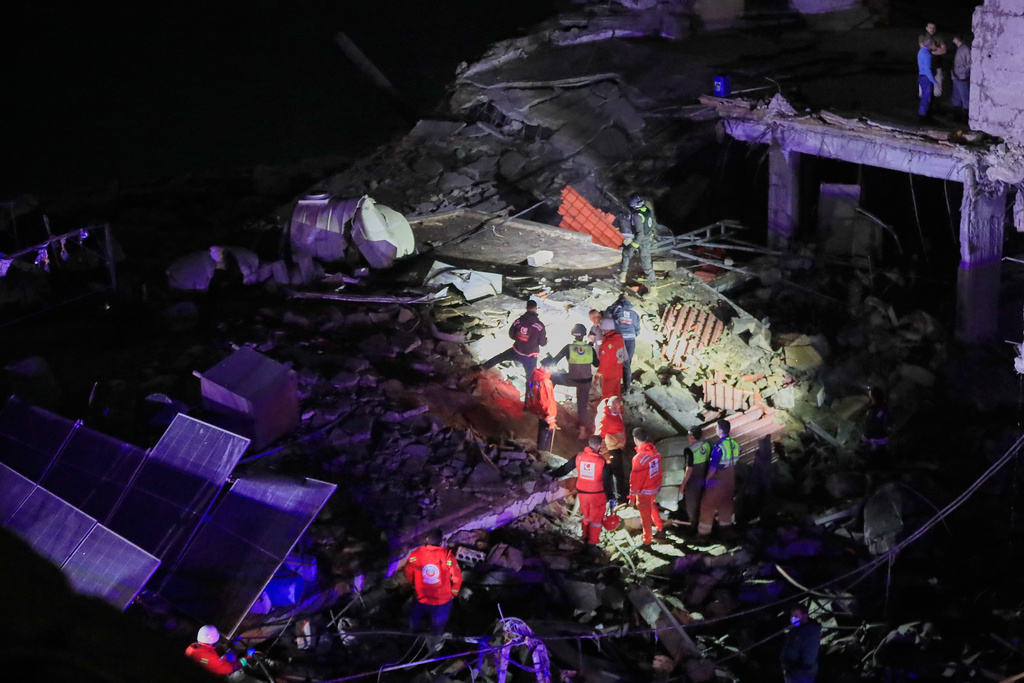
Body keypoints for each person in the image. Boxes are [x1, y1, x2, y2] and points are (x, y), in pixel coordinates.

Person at [549, 436, 616, 548]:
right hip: (597, 497)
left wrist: (551, 474)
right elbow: (606, 482)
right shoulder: (601, 462)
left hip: (583, 495)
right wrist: (611, 497)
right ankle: (592, 544)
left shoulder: (579, 457)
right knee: (596, 520)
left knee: (586, 517)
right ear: (599, 446)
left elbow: (564, 469)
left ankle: (585, 538)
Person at [404, 529, 463, 635]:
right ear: (441, 542)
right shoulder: (448, 556)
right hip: (442, 601)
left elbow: (408, 573)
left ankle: (410, 637)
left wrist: (413, 584)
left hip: (422, 598)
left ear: (427, 539)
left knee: (414, 621)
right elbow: (457, 578)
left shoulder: (415, 555)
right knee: (438, 628)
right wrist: (454, 593)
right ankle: (434, 645)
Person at [552, 324, 599, 439]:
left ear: (573, 334)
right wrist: (590, 347)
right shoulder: (590, 349)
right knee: (582, 406)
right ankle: (582, 432)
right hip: (586, 381)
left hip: (572, 379)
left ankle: (547, 400)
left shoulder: (569, 347)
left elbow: (555, 360)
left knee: (552, 377)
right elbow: (597, 364)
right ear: (584, 335)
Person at [483, 300, 547, 381]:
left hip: (516, 351)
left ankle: (482, 368)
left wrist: (520, 339)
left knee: (499, 357)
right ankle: (530, 391)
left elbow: (511, 334)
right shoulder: (539, 326)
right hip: (530, 356)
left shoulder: (518, 321)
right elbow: (543, 343)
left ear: (526, 308)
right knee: (530, 378)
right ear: (535, 309)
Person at [696, 419, 740, 538]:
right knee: (726, 504)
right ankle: (726, 531)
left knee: (707, 504)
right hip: (730, 477)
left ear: (720, 430)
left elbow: (713, 467)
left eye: (716, 427)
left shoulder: (719, 447)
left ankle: (703, 535)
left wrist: (707, 480)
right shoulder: (735, 444)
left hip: (718, 478)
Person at [628, 427, 664, 546]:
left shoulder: (638, 459)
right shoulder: (654, 451)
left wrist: (632, 498)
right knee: (652, 506)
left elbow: (635, 481)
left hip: (644, 492)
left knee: (645, 517)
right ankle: (660, 527)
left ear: (635, 439)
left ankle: (647, 540)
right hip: (654, 488)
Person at [619, 194, 658, 286]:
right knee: (646, 262)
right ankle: (653, 287)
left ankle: (623, 275)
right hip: (647, 238)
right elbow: (651, 224)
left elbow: (640, 233)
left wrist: (633, 245)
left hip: (641, 239)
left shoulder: (637, 216)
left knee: (626, 252)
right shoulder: (646, 210)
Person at [595, 395, 628, 503]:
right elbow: (599, 437)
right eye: (614, 408)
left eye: (618, 407)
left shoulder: (615, 412)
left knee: (612, 473)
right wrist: (605, 453)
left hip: (616, 447)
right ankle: (619, 499)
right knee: (617, 474)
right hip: (611, 449)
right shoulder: (604, 417)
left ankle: (610, 496)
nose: (617, 409)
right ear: (609, 406)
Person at [607, 294, 641, 392]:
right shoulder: (634, 314)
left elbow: (607, 322)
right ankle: (627, 388)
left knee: (615, 362)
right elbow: (637, 330)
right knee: (626, 364)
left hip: (619, 338)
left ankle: (614, 387)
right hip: (630, 340)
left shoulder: (613, 309)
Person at [780, 604, 822, 683]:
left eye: (796, 615)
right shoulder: (796, 629)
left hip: (801, 676)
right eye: (792, 616)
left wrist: (795, 672)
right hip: (792, 674)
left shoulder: (811, 632)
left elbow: (809, 659)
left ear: (805, 616)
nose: (793, 618)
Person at [679, 426, 710, 527]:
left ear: (692, 436)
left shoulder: (689, 450)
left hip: (693, 481)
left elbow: (689, 470)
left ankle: (694, 525)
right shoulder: (707, 445)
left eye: (688, 434)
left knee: (692, 504)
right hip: (704, 478)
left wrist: (683, 485)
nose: (687, 436)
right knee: (702, 501)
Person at [525, 358, 558, 451]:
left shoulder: (534, 375)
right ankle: (542, 456)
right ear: (545, 367)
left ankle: (539, 452)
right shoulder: (545, 382)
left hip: (537, 409)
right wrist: (551, 420)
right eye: (550, 368)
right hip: (545, 414)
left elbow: (530, 387)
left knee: (541, 435)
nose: (551, 371)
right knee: (545, 441)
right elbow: (546, 401)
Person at [596, 317, 625, 400]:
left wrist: (598, 375)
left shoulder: (607, 343)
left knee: (607, 398)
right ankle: (619, 411)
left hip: (609, 375)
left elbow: (604, 362)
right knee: (617, 396)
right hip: (618, 373)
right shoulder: (619, 339)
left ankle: (607, 412)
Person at [917, 34, 938, 123]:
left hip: (921, 76)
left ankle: (923, 116)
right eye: (933, 44)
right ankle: (923, 117)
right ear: (929, 45)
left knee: (924, 97)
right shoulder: (927, 55)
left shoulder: (921, 51)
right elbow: (927, 70)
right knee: (926, 98)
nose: (935, 46)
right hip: (926, 78)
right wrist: (934, 82)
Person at [951, 34, 971, 123]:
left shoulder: (965, 49)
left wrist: (962, 71)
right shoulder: (958, 49)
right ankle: (956, 117)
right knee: (956, 97)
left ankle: (965, 118)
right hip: (956, 77)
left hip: (962, 77)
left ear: (957, 39)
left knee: (965, 97)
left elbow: (970, 63)